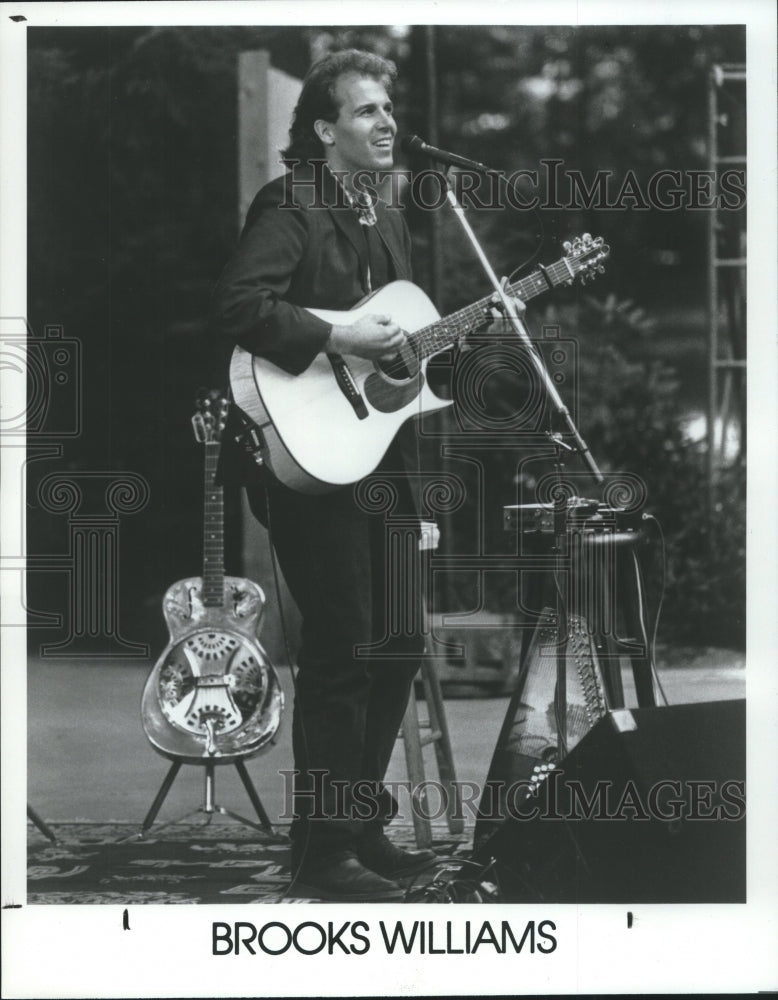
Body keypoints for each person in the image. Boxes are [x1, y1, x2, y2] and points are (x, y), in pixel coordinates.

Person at [211, 49, 436, 902]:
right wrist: (340, 339)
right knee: (343, 643)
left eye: (388, 109)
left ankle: (360, 823)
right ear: (322, 130)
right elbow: (239, 305)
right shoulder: (292, 203)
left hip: (376, 461)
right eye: (367, 111)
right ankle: (321, 850)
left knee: (400, 641)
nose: (386, 124)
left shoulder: (386, 217)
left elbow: (399, 379)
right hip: (302, 458)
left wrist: (416, 497)